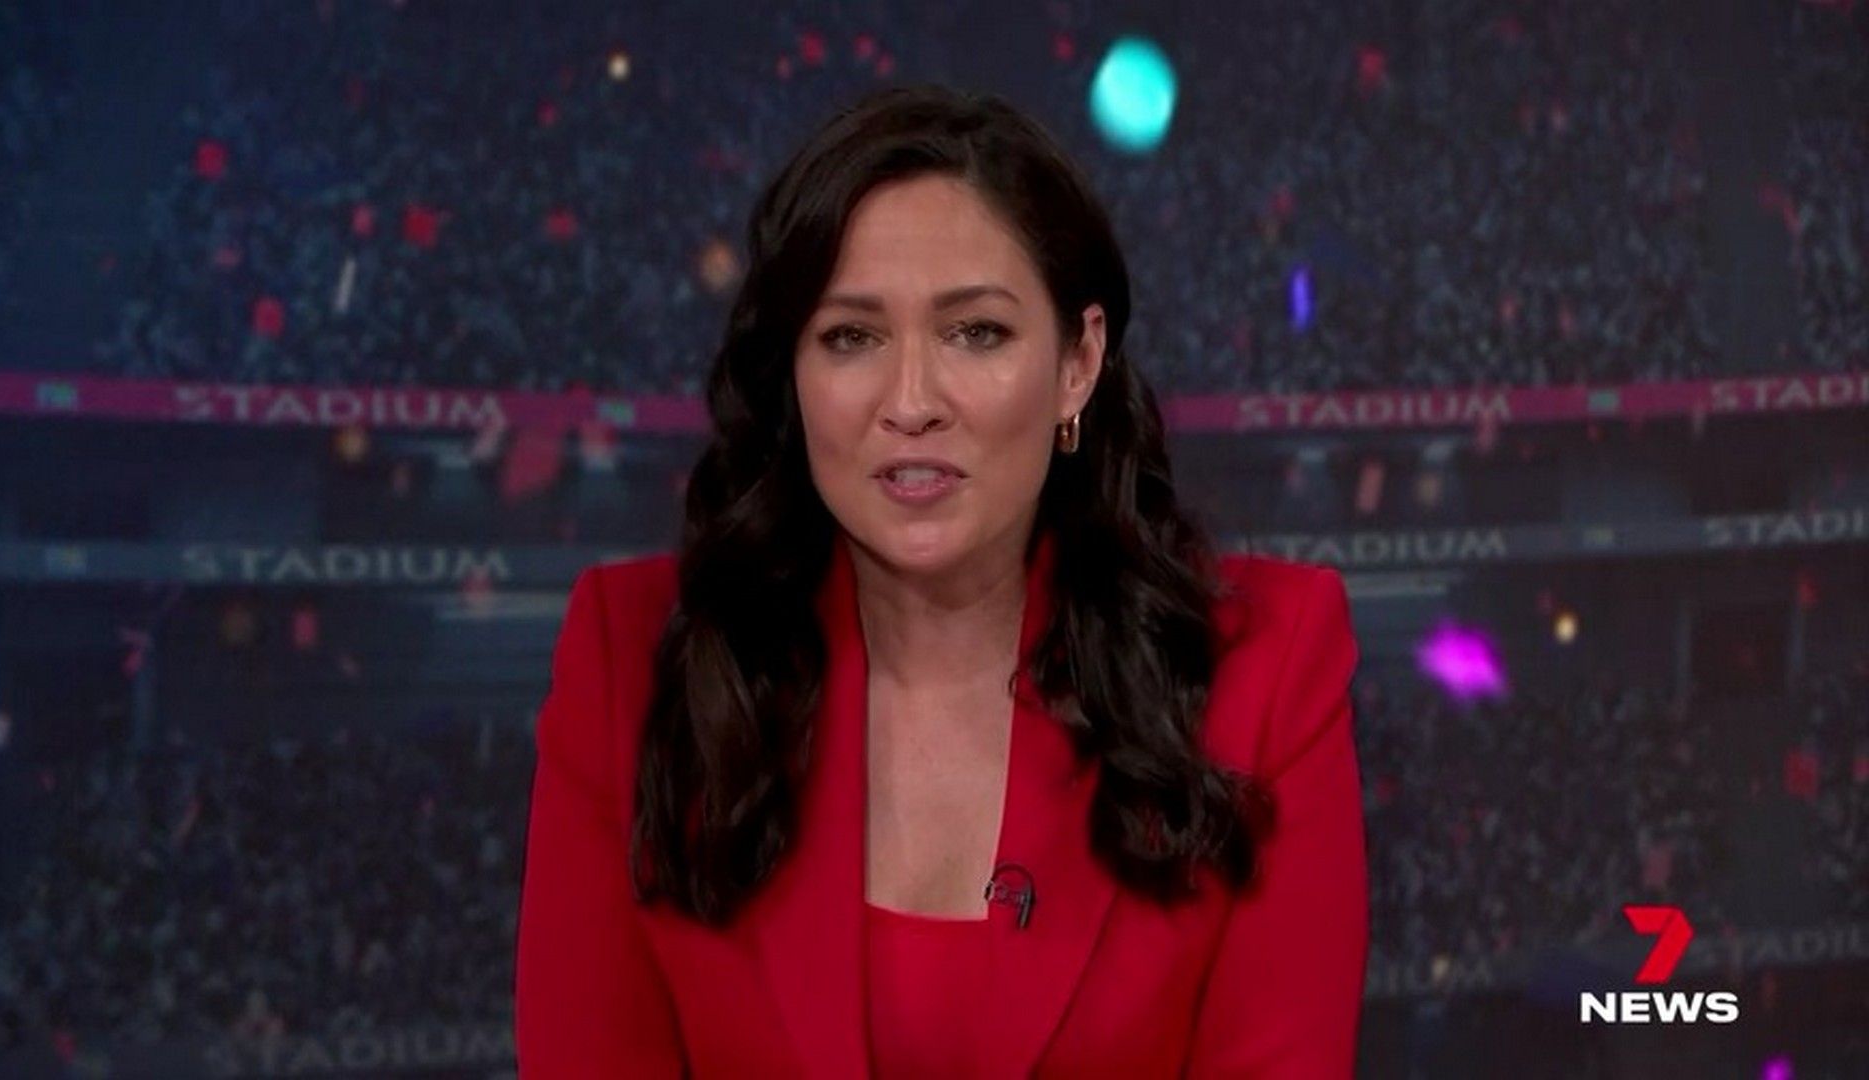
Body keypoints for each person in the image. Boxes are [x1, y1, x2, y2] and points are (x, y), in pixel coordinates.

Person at [516, 82, 1366, 1077]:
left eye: (977, 333)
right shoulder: (627, 664)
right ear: (793, 375)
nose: (912, 402)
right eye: (851, 337)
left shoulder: (1265, 672)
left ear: (1078, 362)